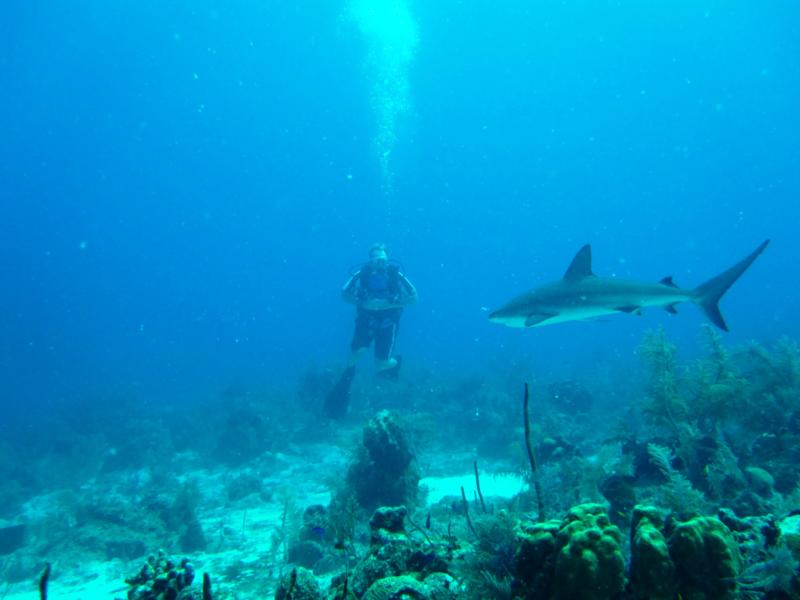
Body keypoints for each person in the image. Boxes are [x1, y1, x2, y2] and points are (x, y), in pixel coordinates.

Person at [324, 243, 418, 418]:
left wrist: (391, 303)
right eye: (376, 260)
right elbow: (344, 293)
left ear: (387, 260)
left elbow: (414, 297)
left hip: (388, 323)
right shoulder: (362, 275)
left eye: (383, 260)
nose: (380, 264)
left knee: (381, 364)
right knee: (355, 354)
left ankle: (396, 363)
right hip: (366, 320)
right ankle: (346, 381)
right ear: (371, 261)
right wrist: (362, 302)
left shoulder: (396, 275)